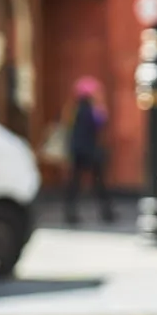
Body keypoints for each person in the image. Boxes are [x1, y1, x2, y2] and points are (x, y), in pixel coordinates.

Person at [64, 76, 114, 225]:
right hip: (90, 151)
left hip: (76, 150)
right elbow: (101, 123)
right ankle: (106, 213)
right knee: (99, 183)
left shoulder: (73, 109)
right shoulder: (93, 110)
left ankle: (70, 213)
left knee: (75, 183)